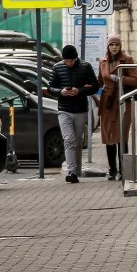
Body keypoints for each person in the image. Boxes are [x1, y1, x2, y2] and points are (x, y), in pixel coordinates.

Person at [43, 44, 98, 183]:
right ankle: (71, 171)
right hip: (64, 109)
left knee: (78, 141)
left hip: (80, 109)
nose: (68, 63)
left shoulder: (85, 67)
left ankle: (76, 171)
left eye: (71, 61)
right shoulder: (57, 67)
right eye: (66, 61)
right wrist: (60, 92)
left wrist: (79, 91)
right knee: (69, 140)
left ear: (76, 58)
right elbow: (50, 87)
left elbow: (95, 86)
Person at [96, 34, 137, 180]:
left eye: (116, 44)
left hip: (122, 102)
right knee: (109, 137)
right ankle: (112, 170)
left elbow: (136, 80)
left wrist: (119, 79)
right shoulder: (103, 61)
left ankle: (124, 171)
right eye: (111, 45)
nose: (114, 47)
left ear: (120, 46)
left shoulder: (127, 60)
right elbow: (99, 81)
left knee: (121, 137)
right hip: (108, 103)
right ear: (108, 46)